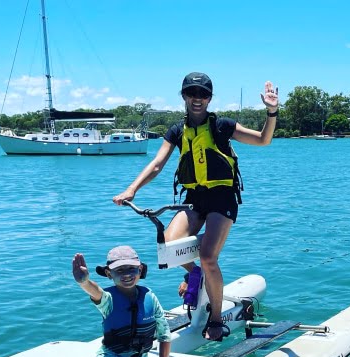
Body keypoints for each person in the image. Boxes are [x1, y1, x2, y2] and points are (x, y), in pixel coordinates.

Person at [113, 72, 279, 341]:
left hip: (223, 198)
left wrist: (272, 111)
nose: (197, 98)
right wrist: (132, 189)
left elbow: (263, 139)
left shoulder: (222, 126)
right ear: (184, 97)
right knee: (168, 247)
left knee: (208, 255)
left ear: (210, 98)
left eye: (203, 94)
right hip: (194, 199)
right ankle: (197, 276)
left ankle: (215, 319)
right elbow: (157, 164)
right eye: (192, 93)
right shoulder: (177, 131)